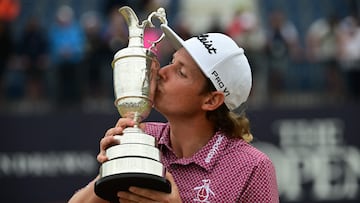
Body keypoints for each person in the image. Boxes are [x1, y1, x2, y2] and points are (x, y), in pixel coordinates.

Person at [68, 24, 279, 202]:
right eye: (171, 61)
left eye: (180, 72)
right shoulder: (144, 136)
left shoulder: (252, 166)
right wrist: (110, 172)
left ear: (211, 100)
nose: (161, 72)